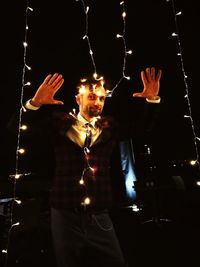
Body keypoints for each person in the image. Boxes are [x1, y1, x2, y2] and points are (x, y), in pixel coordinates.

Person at [18, 67, 162, 267]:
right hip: (64, 214)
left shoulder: (108, 126)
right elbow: (16, 129)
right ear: (78, 99)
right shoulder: (60, 123)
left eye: (102, 98)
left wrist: (152, 100)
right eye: (92, 97)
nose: (98, 102)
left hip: (99, 214)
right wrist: (34, 104)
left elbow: (142, 128)